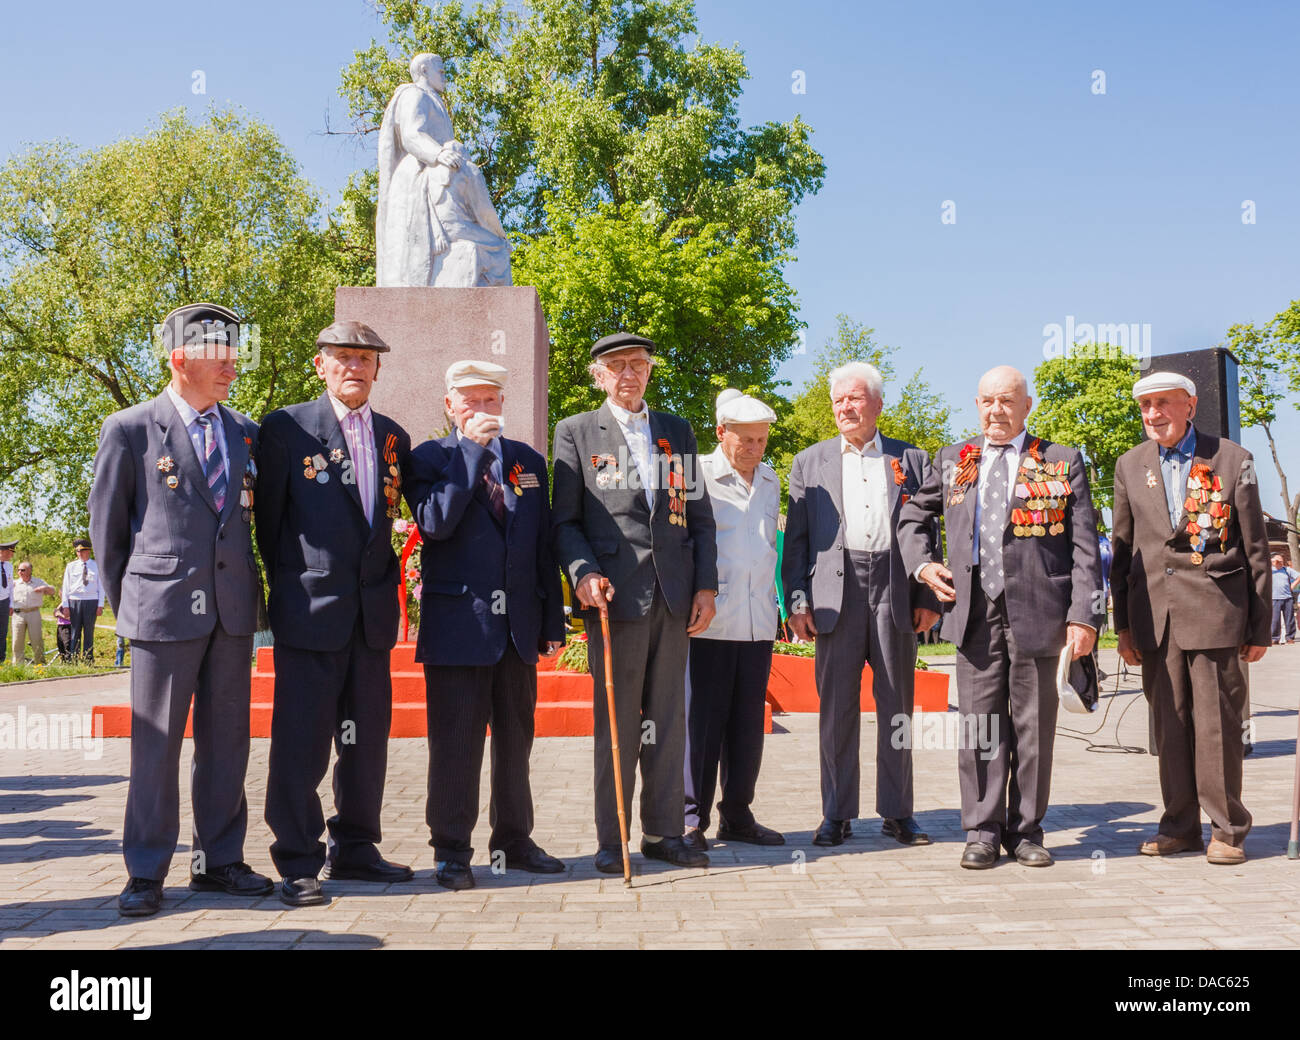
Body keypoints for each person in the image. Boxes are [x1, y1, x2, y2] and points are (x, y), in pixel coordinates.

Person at [89, 301, 272, 916]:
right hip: (161, 612)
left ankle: (219, 861)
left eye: (232, 356)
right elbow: (109, 535)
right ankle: (145, 871)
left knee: (227, 745)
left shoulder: (245, 432)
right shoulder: (131, 428)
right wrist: (135, 608)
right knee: (157, 745)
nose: (231, 369)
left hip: (231, 612)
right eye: (219, 358)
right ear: (179, 359)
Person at [899, 365, 1103, 869]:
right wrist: (923, 565)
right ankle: (983, 831)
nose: (996, 411)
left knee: (1033, 729)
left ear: (1026, 405)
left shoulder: (1061, 460)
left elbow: (1084, 550)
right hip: (973, 616)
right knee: (980, 727)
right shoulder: (954, 461)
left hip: (1042, 614)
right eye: (988, 401)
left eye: (1007, 401)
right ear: (976, 404)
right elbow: (911, 516)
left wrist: (1085, 616)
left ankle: (1028, 831)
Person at [256, 320, 414, 908]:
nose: (355, 366)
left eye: (366, 358)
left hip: (372, 618)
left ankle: (356, 847)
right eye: (343, 356)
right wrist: (296, 588)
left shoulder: (394, 437)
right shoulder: (287, 427)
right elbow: (268, 526)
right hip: (310, 612)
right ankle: (297, 859)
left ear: (378, 369)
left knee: (365, 739)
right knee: (301, 740)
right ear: (320, 365)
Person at [551, 332, 718, 873]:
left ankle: (665, 832)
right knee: (618, 725)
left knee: (668, 721)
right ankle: (613, 837)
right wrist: (582, 573)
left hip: (673, 597)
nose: (629, 374)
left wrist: (706, 587)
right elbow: (566, 521)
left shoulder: (676, 432)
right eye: (618, 365)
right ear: (599, 375)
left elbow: (699, 519)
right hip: (613, 598)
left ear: (650, 371)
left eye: (639, 364)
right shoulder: (576, 432)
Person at [406, 360, 567, 890]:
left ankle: (514, 840)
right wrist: (471, 456)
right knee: (455, 744)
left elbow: (542, 546)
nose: (481, 409)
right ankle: (452, 850)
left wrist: (550, 623)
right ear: (450, 405)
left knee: (516, 742)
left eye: (490, 399)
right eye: (469, 400)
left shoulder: (528, 462)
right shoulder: (430, 458)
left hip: (518, 628)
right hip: (460, 628)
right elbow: (435, 524)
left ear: (503, 403)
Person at [1111, 371, 1271, 865]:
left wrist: (1259, 626)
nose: (1153, 414)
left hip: (1217, 613)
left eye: (1163, 404)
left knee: (1218, 727)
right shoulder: (1129, 465)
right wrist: (1123, 627)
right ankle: (1179, 826)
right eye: (1145, 406)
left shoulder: (1232, 459)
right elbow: (1122, 552)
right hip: (1154, 618)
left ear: (1189, 405)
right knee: (1170, 725)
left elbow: (1256, 547)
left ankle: (1227, 829)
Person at [783, 363, 942, 849]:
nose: (845, 408)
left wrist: (929, 597)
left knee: (897, 707)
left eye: (854, 399)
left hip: (894, 586)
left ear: (877, 403)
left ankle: (898, 812)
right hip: (835, 591)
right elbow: (797, 541)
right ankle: (836, 813)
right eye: (837, 401)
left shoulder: (912, 460)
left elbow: (928, 534)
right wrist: (796, 602)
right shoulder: (809, 462)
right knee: (836, 709)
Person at [683, 390, 785, 851]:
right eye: (746, 439)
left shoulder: (770, 480)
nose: (755, 449)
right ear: (721, 432)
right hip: (710, 622)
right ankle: (691, 818)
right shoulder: (696, 475)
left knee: (747, 726)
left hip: (757, 621)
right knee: (701, 725)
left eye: (761, 440)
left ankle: (738, 814)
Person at [376, 52, 511, 287]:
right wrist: (438, 154)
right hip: (418, 173)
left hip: (438, 172)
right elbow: (411, 134)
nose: (444, 73)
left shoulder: (435, 100)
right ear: (423, 70)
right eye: (439, 69)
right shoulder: (414, 94)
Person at [60, 538, 104, 661]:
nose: (79, 553)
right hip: (75, 600)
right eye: (77, 551)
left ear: (88, 551)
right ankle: (73, 658)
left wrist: (100, 605)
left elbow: (101, 586)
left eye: (82, 550)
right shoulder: (71, 566)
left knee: (89, 631)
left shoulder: (96, 566)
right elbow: (65, 586)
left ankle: (88, 658)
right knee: (75, 631)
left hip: (91, 600)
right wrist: (65, 605)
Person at [10, 561, 57, 663]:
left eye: (22, 570)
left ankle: (40, 663)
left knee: (36, 639)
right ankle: (18, 665)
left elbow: (53, 591)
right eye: (18, 570)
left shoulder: (38, 582)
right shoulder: (14, 583)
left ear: (29, 570)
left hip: (33, 613)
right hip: (18, 614)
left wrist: (45, 588)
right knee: (17, 641)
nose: (19, 572)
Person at [1270, 553, 1300, 644]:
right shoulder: (1269, 571)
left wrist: (1293, 585)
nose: (1280, 563)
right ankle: (1275, 638)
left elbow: (1299, 576)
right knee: (1275, 619)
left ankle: (1290, 637)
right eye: (1278, 561)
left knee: (1289, 619)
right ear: (1273, 561)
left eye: (1282, 561)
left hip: (1287, 598)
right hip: (1274, 598)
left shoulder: (1287, 570)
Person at [0, 539, 14, 662]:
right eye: (10, 552)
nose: (12, 555)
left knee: (3, 631)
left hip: (4, 602)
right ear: (2, 552)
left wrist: (11, 604)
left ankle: (1, 659)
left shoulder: (9, 566)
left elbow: (10, 587)